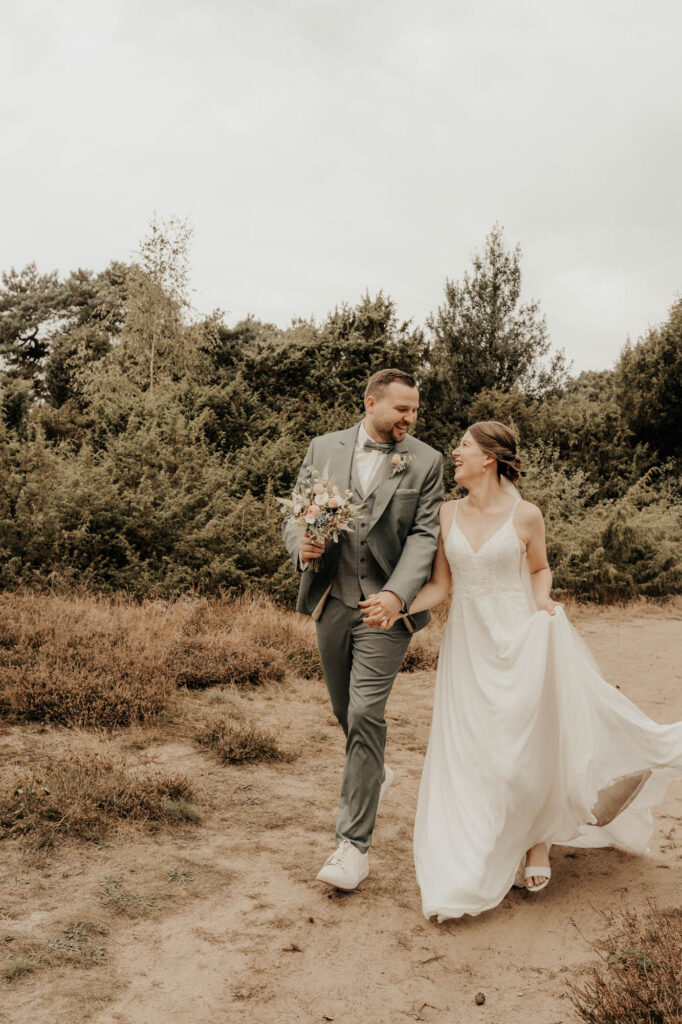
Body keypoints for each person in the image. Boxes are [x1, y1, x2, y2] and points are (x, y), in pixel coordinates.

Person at [364, 420, 682, 920]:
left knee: (523, 747)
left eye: (464, 446)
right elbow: (441, 586)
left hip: (520, 638)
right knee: (477, 751)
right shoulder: (447, 513)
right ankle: (480, 849)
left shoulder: (526, 514)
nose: (456, 452)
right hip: (468, 647)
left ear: (489, 457)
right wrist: (397, 606)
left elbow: (539, 568)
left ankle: (538, 840)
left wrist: (542, 600)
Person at [282, 368, 443, 890]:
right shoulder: (323, 447)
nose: (410, 419)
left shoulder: (427, 461)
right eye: (402, 409)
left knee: (367, 711)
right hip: (331, 597)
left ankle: (352, 847)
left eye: (414, 410)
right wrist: (301, 546)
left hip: (385, 608)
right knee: (342, 709)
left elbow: (424, 535)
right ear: (371, 402)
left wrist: (398, 595)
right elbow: (298, 513)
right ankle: (372, 769)